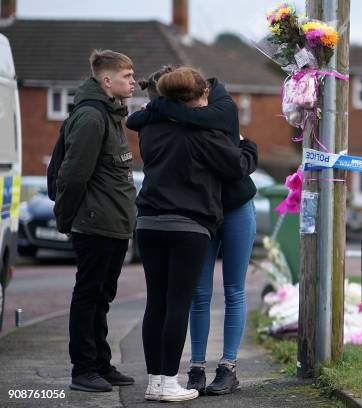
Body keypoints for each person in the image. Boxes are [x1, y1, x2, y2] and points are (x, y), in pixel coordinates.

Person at [127, 67, 257, 396]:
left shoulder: (216, 105)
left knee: (228, 291)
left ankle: (224, 368)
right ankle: (192, 370)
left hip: (226, 208)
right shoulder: (199, 132)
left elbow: (135, 121)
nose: (207, 100)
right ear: (193, 97)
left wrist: (160, 109)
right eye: (202, 97)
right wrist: (248, 147)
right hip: (195, 218)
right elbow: (238, 164)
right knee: (191, 297)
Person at [53, 49, 137, 392]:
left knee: (102, 297)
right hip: (93, 224)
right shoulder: (91, 117)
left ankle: (101, 364)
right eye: (127, 77)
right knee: (88, 296)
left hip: (112, 223)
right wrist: (66, 218)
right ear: (106, 80)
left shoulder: (112, 113)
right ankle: (83, 369)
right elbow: (73, 175)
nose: (133, 82)